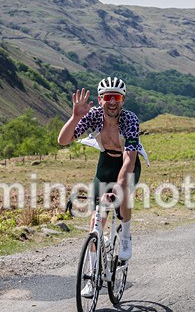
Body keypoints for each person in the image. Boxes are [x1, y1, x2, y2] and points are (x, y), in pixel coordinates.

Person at [58, 76, 149, 273]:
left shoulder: (130, 120)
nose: (113, 102)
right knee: (96, 221)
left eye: (117, 97)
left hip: (126, 162)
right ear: (100, 100)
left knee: (122, 193)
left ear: (123, 100)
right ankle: (92, 274)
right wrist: (75, 117)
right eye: (108, 97)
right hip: (106, 162)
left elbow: (129, 160)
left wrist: (118, 186)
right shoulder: (93, 115)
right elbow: (63, 140)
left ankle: (125, 236)